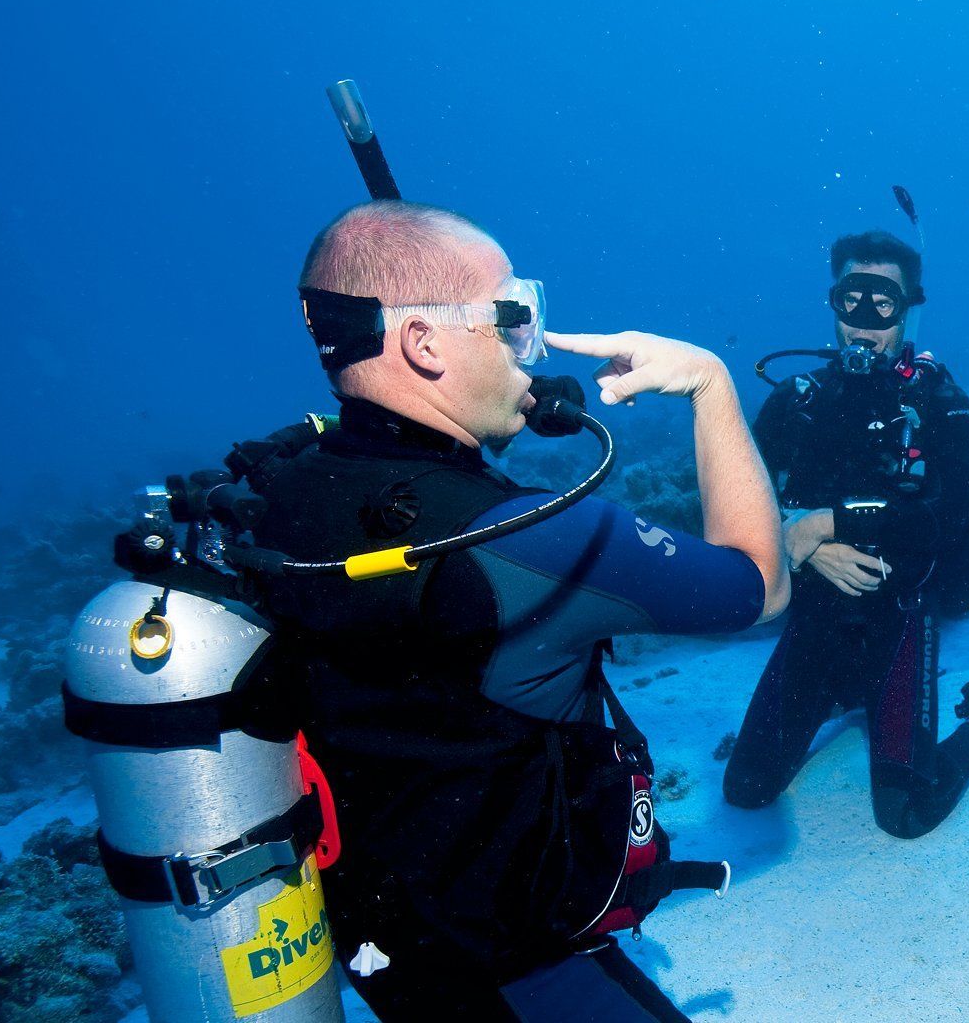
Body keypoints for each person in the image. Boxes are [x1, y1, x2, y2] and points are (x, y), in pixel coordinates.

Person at [254, 200, 789, 1022]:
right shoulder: (527, 540)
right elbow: (758, 587)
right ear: (423, 343)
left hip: (387, 946)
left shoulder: (286, 491)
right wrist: (710, 383)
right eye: (510, 320)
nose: (528, 350)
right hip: (515, 965)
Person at [721, 230, 969, 838]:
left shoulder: (941, 405)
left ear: (908, 310)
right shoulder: (797, 401)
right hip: (816, 617)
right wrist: (801, 541)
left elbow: (954, 517)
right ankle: (847, 695)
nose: (864, 322)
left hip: (901, 616)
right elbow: (739, 500)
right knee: (746, 790)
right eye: (850, 301)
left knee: (906, 815)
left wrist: (824, 523)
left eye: (883, 304)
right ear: (832, 304)